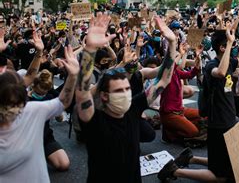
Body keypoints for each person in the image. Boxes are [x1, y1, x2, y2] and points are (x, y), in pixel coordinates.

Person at [74, 14, 177, 183]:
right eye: (119, 90)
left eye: (127, 89)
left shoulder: (133, 109)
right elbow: (83, 93)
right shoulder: (94, 121)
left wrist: (172, 43)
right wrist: (90, 50)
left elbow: (164, 80)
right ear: (104, 96)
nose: (126, 94)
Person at [158, 19, 239, 182]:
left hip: (228, 119)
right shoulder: (212, 65)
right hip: (218, 123)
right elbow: (221, 72)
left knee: (227, 163)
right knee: (220, 176)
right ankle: (174, 171)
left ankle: (191, 159)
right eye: (229, 45)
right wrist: (230, 44)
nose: (233, 49)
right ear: (222, 47)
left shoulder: (230, 61)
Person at [0, 40, 79, 182]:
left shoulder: (31, 110)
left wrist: (73, 76)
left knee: (63, 163)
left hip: (45, 137)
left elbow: (63, 101)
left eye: (17, 101)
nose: (13, 107)